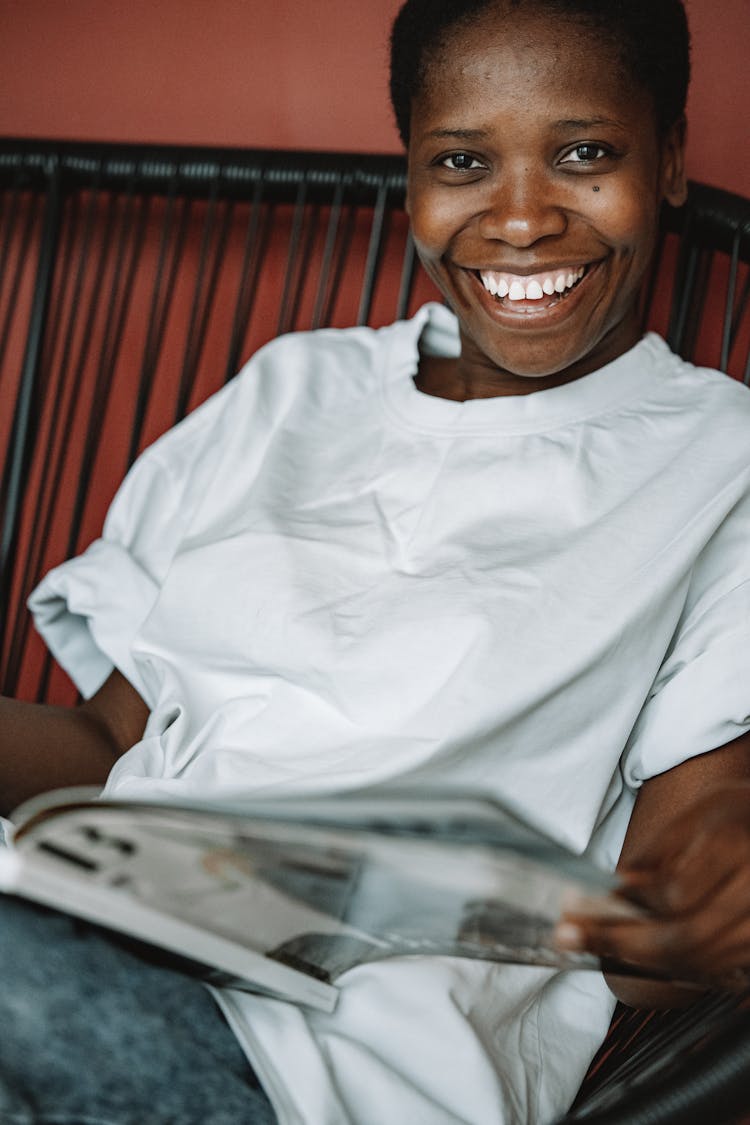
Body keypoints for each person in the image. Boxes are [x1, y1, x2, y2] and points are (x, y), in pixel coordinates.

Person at [1, 0, 749, 1122]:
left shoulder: (720, 459)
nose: (524, 216)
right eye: (463, 162)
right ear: (412, 177)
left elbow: (667, 915)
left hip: (324, 1065)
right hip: (91, 931)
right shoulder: (291, 390)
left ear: (673, 161)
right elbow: (113, 743)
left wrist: (711, 891)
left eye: (585, 154)